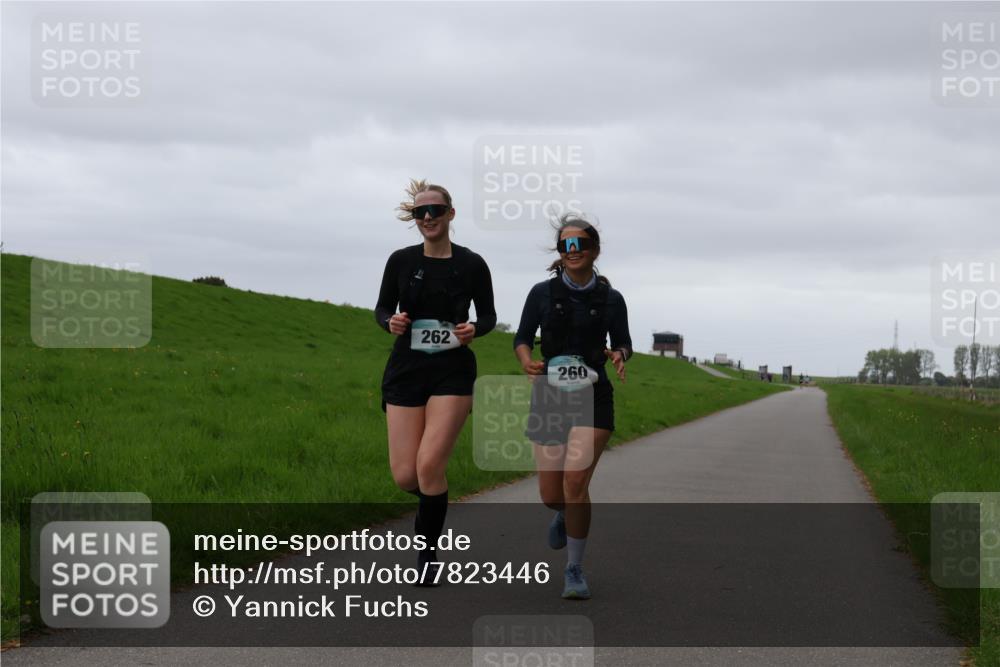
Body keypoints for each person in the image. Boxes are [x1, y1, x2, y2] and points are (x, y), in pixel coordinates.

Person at [375, 179, 496, 585]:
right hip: (406, 370)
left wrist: (474, 329)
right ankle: (435, 499)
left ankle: (427, 555)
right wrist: (389, 322)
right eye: (420, 212)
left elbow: (489, 316)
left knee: (428, 465)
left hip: (452, 371)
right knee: (406, 476)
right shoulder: (400, 261)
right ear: (414, 218)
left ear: (450, 214)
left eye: (435, 210)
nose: (428, 217)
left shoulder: (472, 264)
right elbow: (381, 308)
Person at [513, 213, 632, 599]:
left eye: (580, 244)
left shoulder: (612, 299)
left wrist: (619, 354)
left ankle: (574, 568)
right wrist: (526, 361)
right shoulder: (540, 293)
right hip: (550, 395)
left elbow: (624, 341)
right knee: (552, 494)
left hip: (594, 395)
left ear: (595, 250)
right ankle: (564, 512)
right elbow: (521, 337)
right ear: (560, 251)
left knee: (576, 482)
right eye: (566, 244)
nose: (573, 250)